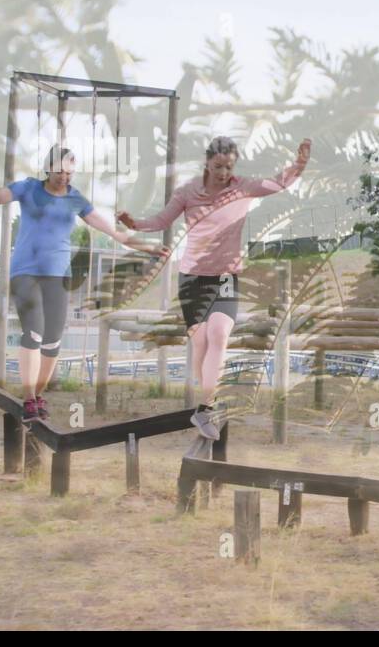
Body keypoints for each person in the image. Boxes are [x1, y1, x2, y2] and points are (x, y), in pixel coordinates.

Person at [0, 147, 169, 421]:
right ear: (47, 168)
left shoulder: (76, 199)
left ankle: (36, 396)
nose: (64, 177)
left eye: (69, 172)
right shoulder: (27, 189)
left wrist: (149, 247)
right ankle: (28, 399)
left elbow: (115, 234)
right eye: (59, 171)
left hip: (57, 276)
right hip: (25, 273)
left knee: (53, 341)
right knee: (34, 333)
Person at [118, 136, 311, 439]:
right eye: (218, 166)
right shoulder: (187, 193)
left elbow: (277, 184)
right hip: (193, 278)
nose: (223, 173)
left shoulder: (243, 187)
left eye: (228, 167)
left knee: (218, 333)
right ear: (207, 162)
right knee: (201, 343)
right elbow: (161, 220)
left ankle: (207, 408)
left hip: (224, 276)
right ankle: (206, 401)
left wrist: (299, 165)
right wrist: (135, 224)